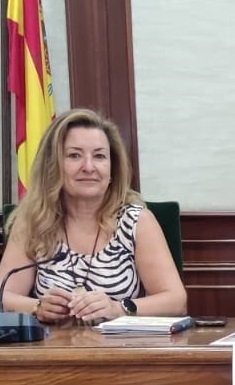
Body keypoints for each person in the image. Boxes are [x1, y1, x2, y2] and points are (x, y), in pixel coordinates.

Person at [0, 108, 187, 324]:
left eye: (99, 156)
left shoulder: (137, 222)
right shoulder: (33, 222)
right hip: (52, 344)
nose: (88, 167)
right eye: (74, 155)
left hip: (123, 344)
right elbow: (4, 294)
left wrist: (117, 308)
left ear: (112, 169)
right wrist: (37, 307)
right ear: (52, 166)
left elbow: (176, 301)